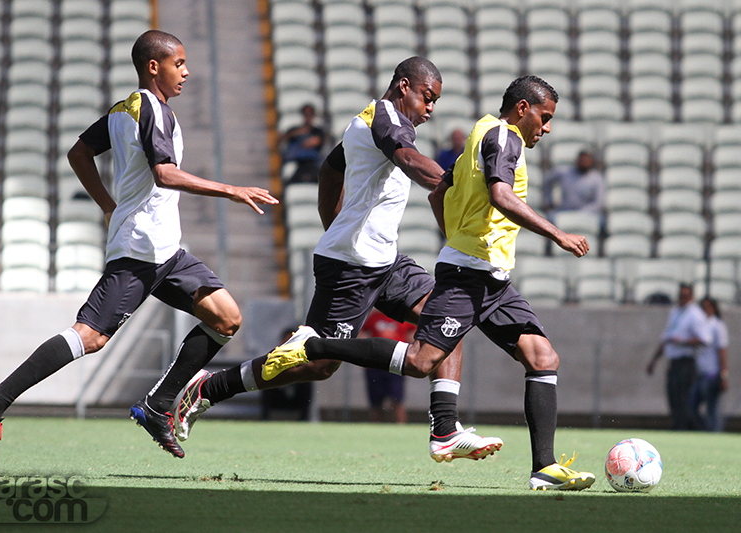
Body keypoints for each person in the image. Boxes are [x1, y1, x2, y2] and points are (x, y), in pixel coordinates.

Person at [263, 75, 599, 491]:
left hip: (492, 277)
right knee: (422, 361)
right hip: (467, 277)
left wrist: (454, 238)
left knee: (542, 356)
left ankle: (542, 467)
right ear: (523, 109)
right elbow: (500, 195)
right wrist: (558, 234)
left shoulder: (480, 132)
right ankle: (313, 345)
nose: (546, 128)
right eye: (545, 118)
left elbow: (441, 193)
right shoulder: (504, 137)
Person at [0, 30, 278, 464]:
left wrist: (109, 205)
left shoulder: (125, 108)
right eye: (179, 63)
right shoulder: (152, 110)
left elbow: (79, 153)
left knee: (226, 318)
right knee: (90, 337)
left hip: (166, 249)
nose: (186, 72)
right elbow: (165, 174)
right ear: (155, 67)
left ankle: (159, 404)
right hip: (140, 251)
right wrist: (230, 189)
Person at [173, 57, 501, 463]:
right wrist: (457, 185)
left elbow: (331, 169)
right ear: (403, 87)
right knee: (319, 364)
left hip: (385, 260)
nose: (431, 108)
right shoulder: (386, 119)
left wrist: (333, 222)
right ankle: (210, 387)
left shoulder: (369, 122)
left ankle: (445, 431)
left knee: (448, 317)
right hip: (350, 266)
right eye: (427, 97)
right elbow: (411, 162)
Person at [646, 283, 710, 431]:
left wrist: (682, 342)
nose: (682, 299)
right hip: (674, 362)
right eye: (681, 296)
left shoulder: (695, 314)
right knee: (673, 398)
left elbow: (704, 339)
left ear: (691, 297)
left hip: (686, 362)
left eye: (686, 296)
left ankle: (689, 429)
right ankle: (678, 426)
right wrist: (654, 360)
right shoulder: (675, 312)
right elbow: (666, 338)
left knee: (684, 400)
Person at [359, 310, 414, 423]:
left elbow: (413, 333)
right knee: (375, 403)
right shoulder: (374, 317)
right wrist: (368, 347)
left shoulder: (403, 316)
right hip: (375, 365)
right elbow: (360, 332)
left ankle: (401, 428)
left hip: (396, 364)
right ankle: (376, 428)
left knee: (397, 400)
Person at [689, 297, 729, 432]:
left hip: (712, 374)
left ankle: (715, 433)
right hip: (701, 373)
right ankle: (706, 431)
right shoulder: (702, 325)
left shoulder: (717, 325)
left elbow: (722, 351)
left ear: (714, 308)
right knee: (692, 406)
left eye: (707, 307)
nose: (704, 311)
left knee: (712, 408)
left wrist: (723, 375)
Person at [541, 149, 604, 220]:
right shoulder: (565, 172)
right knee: (549, 218)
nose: (584, 162)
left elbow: (597, 203)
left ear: (591, 161)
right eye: (582, 160)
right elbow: (547, 181)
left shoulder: (596, 178)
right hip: (564, 210)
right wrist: (549, 201)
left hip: (586, 214)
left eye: (587, 160)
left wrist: (581, 213)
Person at [279, 103, 325, 184]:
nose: (308, 116)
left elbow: (315, 142)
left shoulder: (317, 131)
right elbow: (282, 139)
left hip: (313, 162)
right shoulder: (295, 130)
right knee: (290, 178)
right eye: (306, 114)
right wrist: (297, 133)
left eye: (310, 114)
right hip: (296, 161)